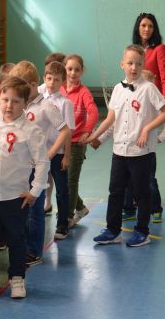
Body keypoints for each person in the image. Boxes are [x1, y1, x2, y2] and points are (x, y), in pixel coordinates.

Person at [0, 76, 49, 300]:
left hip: (16, 197)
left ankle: (17, 277)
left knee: (16, 238)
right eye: (5, 100)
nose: (9, 105)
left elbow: (42, 162)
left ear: (25, 103)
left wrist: (35, 191)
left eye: (16, 101)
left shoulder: (31, 130)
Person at [88, 45, 165, 246]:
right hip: (119, 150)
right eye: (130, 63)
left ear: (143, 65)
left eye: (138, 63)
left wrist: (147, 129)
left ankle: (142, 232)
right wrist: (94, 136)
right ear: (122, 64)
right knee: (115, 191)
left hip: (141, 152)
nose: (134, 67)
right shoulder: (118, 89)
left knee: (142, 193)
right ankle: (112, 230)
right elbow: (110, 118)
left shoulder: (149, 88)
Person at [8, 61, 70, 264]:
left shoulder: (46, 106)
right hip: (20, 166)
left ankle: (34, 251)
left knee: (35, 210)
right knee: (21, 207)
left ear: (33, 85)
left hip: (37, 168)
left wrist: (50, 154)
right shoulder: (20, 104)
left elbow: (65, 130)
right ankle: (23, 245)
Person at [63, 54, 99, 227]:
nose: (73, 73)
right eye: (70, 69)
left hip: (76, 144)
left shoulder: (83, 92)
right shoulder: (59, 89)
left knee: (71, 181)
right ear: (64, 69)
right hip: (60, 143)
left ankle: (68, 217)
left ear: (82, 71)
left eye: (77, 70)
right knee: (63, 181)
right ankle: (80, 208)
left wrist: (87, 131)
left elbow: (94, 113)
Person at [41, 61, 74, 239]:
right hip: (41, 153)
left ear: (63, 82)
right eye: (49, 78)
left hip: (58, 153)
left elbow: (68, 132)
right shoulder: (39, 99)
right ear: (44, 78)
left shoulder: (65, 103)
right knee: (37, 186)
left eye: (56, 79)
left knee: (62, 190)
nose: (52, 83)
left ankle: (62, 225)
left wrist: (66, 156)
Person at [132, 12, 165, 104]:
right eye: (143, 25)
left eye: (151, 26)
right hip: (136, 98)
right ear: (137, 28)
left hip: (155, 99)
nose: (147, 29)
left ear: (154, 30)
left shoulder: (160, 49)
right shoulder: (133, 50)